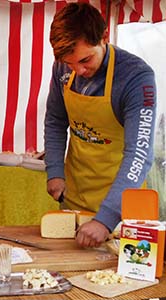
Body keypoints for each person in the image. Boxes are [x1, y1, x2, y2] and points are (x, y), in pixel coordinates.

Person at [44, 2, 156, 248]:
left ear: (104, 37)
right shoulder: (63, 67)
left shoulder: (136, 78)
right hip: (75, 198)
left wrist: (106, 218)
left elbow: (139, 154)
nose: (79, 70)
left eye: (85, 60)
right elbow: (55, 120)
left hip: (122, 206)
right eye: (70, 63)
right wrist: (54, 171)